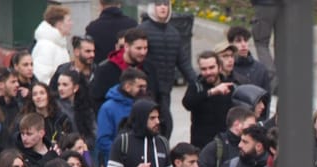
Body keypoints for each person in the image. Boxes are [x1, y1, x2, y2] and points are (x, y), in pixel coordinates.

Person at [140, 0, 196, 140]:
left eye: (166, 4)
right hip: (147, 88)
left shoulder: (174, 33)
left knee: (166, 123)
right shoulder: (143, 30)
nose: (163, 8)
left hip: (165, 88)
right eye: (159, 4)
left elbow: (183, 61)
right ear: (153, 7)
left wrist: (195, 81)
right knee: (148, 121)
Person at [182, 51, 235, 149]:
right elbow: (187, 103)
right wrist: (211, 92)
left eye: (211, 67)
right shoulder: (196, 86)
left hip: (225, 143)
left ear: (219, 67)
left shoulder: (230, 85)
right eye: (204, 69)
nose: (208, 72)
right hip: (201, 144)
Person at [86, 0, 138, 66]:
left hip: (102, 72)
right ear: (119, 4)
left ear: (100, 4)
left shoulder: (92, 28)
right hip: (130, 72)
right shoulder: (133, 24)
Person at [32, 5, 73, 85]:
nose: (72, 23)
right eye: (69, 20)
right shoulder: (46, 46)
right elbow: (41, 76)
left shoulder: (59, 44)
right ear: (59, 24)